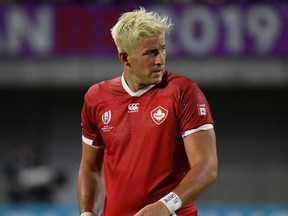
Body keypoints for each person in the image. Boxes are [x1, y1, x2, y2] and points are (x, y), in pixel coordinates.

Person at [78, 7, 218, 216]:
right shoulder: (97, 98)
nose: (160, 59)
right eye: (150, 53)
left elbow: (206, 166)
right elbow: (90, 168)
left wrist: (165, 206)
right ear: (125, 58)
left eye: (162, 49)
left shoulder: (183, 92)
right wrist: (87, 212)